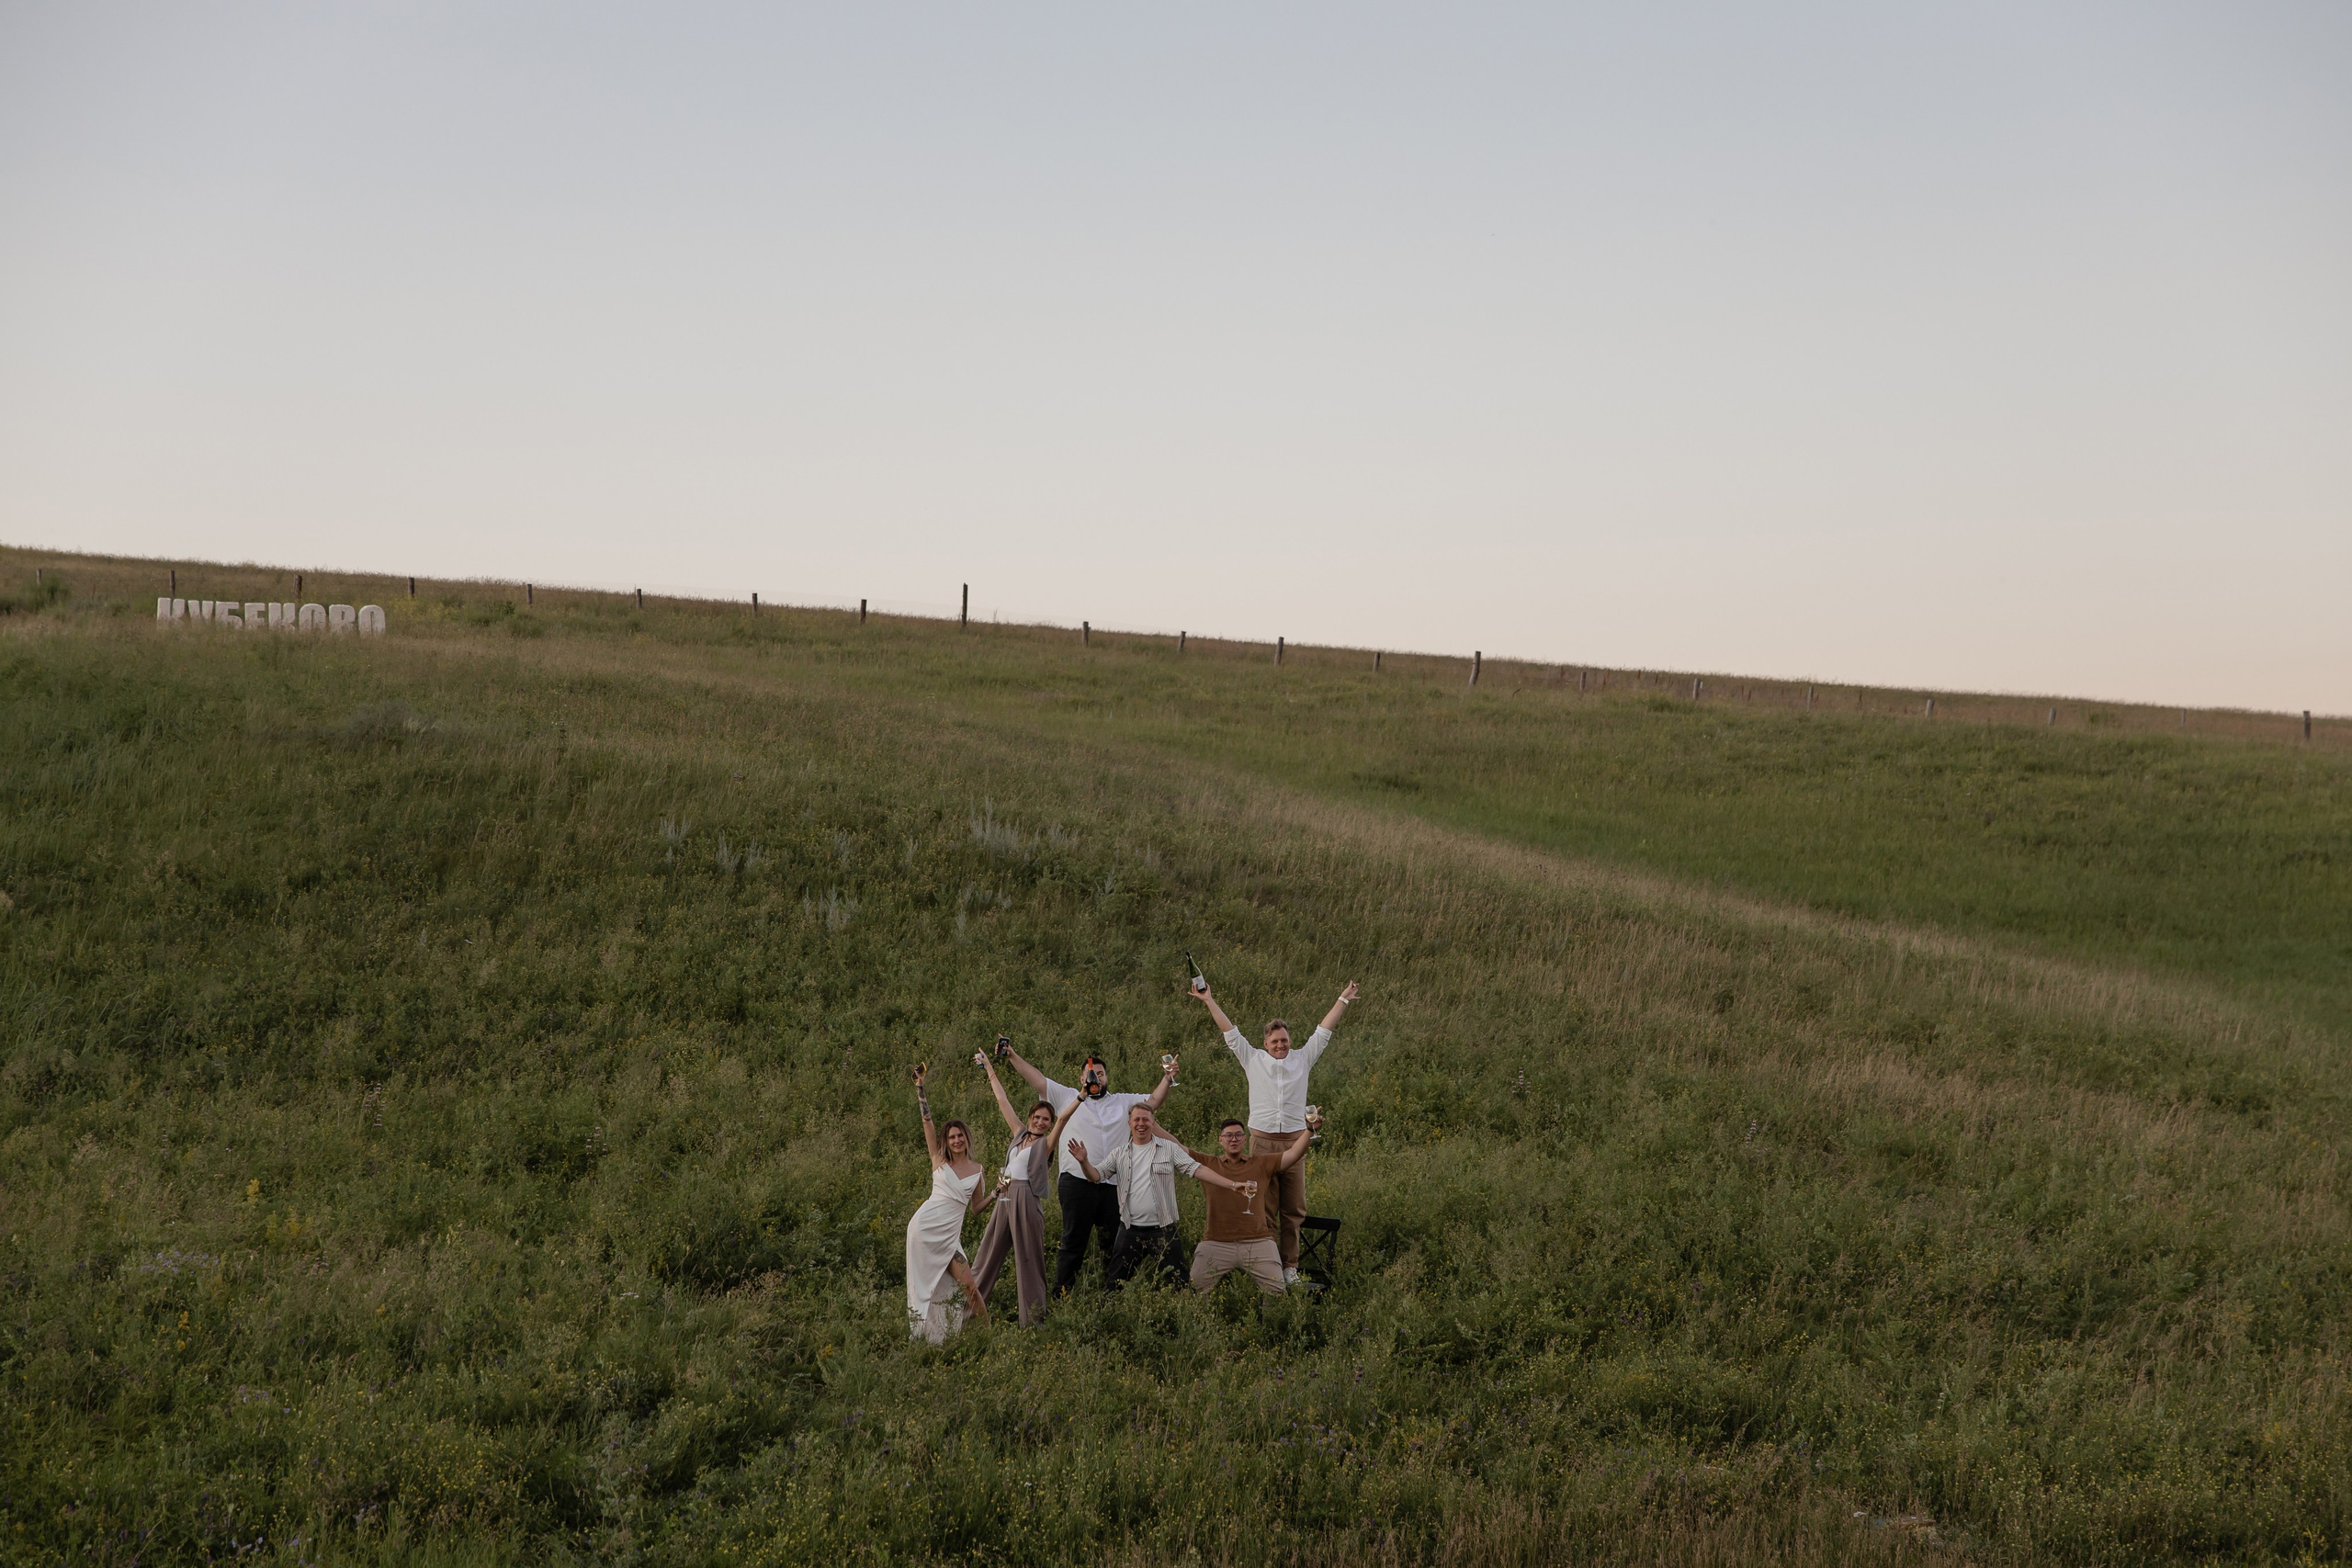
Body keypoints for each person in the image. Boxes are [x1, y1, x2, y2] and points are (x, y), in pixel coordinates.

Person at [1188, 977, 1359, 1284]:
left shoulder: (1302, 1059)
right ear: (1265, 1044)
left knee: (1293, 1208)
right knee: (1262, 1205)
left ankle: (1290, 1267)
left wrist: (1342, 1000)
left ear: (1289, 1041)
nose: (1280, 1045)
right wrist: (1208, 1000)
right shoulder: (1253, 1059)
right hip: (1262, 1143)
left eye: (1284, 1040)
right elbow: (1230, 1033)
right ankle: (1263, 1265)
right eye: (1274, 1041)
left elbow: (1324, 1031)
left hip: (1295, 1142)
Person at [1000, 1042, 1175, 1293]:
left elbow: (1154, 1101)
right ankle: (1063, 1294)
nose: (1097, 1077)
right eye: (1092, 1074)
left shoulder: (1122, 1102)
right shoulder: (1067, 1096)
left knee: (1115, 1241)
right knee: (1073, 1240)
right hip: (1076, 1182)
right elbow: (1037, 1080)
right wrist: (1012, 1055)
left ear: (1106, 1077)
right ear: (1082, 1078)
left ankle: (1112, 1294)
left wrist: (1168, 1078)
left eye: (1101, 1074)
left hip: (1113, 1183)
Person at [1065, 1103, 1250, 1289]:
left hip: (1163, 1230)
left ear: (1153, 1123)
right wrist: (1084, 1162)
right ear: (1129, 1123)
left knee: (1179, 1284)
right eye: (1136, 1119)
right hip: (1129, 1229)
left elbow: (1197, 1169)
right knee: (1114, 1286)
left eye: (1146, 1119)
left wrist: (1232, 1185)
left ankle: (1182, 1316)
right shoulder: (1119, 1154)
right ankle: (1109, 1315)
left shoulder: (1169, 1149)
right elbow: (1096, 1176)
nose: (1141, 1123)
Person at [967, 1049, 1083, 1326]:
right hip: (1004, 1197)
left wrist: (1081, 1095)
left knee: (1029, 1261)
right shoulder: (1019, 1134)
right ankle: (967, 1315)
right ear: (1031, 1116)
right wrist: (989, 1068)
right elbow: (1002, 1100)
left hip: (1027, 1199)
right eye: (1038, 1117)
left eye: (1046, 1119)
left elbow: (1064, 1119)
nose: (1041, 1122)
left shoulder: (1046, 1144)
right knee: (986, 1256)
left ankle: (1032, 1322)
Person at [904, 1063, 993, 1343]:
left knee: (969, 1286)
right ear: (947, 1141)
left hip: (949, 1237)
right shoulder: (938, 1162)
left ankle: (987, 1335)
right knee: (926, 1288)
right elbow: (927, 1123)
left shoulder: (978, 1170)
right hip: (924, 1228)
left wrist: (996, 1194)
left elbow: (976, 1209)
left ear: (967, 1138)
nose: (956, 1140)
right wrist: (920, 1088)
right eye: (951, 1137)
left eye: (960, 1136)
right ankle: (925, 1337)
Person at [1182, 1118, 1311, 1296]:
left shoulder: (1261, 1163)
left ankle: (1270, 1324)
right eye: (1228, 1136)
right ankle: (1204, 1323)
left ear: (1245, 1139)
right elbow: (1177, 1147)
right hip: (1216, 1241)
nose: (1233, 1139)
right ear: (1220, 1140)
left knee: (1277, 1290)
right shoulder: (1209, 1163)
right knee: (1196, 1289)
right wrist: (1150, 1122)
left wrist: (1310, 1129)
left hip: (1258, 1241)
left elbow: (1294, 1153)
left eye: (1238, 1135)